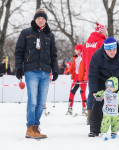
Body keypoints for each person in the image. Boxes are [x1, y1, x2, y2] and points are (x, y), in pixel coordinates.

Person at [15, 9, 58, 139]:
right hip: (31, 71)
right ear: (35, 19)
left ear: (45, 20)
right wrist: (18, 67)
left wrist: (55, 69)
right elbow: (19, 51)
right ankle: (30, 128)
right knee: (33, 101)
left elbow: (53, 55)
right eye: (38, 18)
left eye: (43, 18)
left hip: (45, 72)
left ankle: (35, 127)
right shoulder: (26, 33)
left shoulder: (49, 35)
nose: (41, 20)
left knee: (41, 102)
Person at [82, 23, 107, 124]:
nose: (106, 33)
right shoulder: (102, 42)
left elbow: (83, 58)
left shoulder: (87, 43)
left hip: (90, 72)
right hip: (101, 71)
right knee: (102, 93)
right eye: (105, 31)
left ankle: (90, 117)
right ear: (101, 32)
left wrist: (87, 68)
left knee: (91, 93)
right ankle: (100, 116)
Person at [65, 44, 87, 116]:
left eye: (76, 49)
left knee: (82, 92)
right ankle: (70, 109)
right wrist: (68, 71)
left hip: (82, 78)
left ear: (80, 50)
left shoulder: (84, 58)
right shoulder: (75, 58)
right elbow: (72, 66)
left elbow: (87, 69)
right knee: (72, 91)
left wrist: (85, 78)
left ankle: (84, 109)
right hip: (76, 77)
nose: (75, 51)